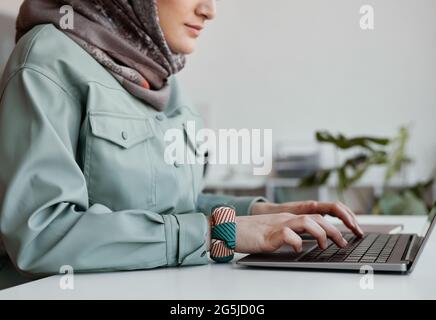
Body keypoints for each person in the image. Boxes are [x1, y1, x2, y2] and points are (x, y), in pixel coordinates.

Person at [0, 0, 363, 277]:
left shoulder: (160, 76)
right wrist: (216, 234)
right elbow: (42, 235)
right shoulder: (46, 61)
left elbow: (166, 205)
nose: (209, 10)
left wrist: (257, 214)